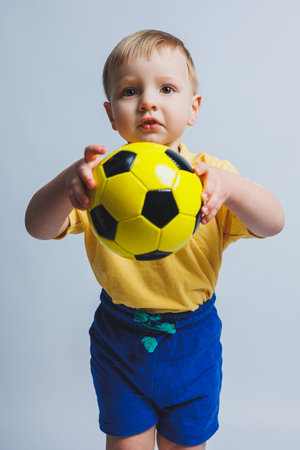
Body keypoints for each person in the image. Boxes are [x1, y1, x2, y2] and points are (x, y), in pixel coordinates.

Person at [25, 30, 284, 450]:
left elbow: (274, 222)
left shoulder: (211, 176)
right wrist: (66, 183)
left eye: (166, 88)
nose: (148, 101)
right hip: (120, 339)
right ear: (111, 114)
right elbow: (35, 226)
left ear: (193, 107)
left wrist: (232, 188)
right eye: (131, 91)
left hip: (193, 343)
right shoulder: (99, 179)